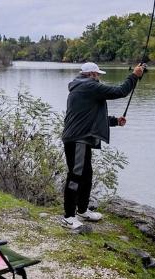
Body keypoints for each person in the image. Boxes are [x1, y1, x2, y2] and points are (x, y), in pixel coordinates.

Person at [61, 62, 145, 229]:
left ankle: (82, 210)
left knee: (87, 176)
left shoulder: (83, 88)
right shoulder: (89, 87)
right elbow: (120, 91)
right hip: (78, 140)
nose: (99, 77)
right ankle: (68, 216)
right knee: (76, 177)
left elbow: (90, 117)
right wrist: (134, 75)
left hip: (81, 139)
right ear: (91, 74)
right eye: (98, 74)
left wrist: (114, 121)